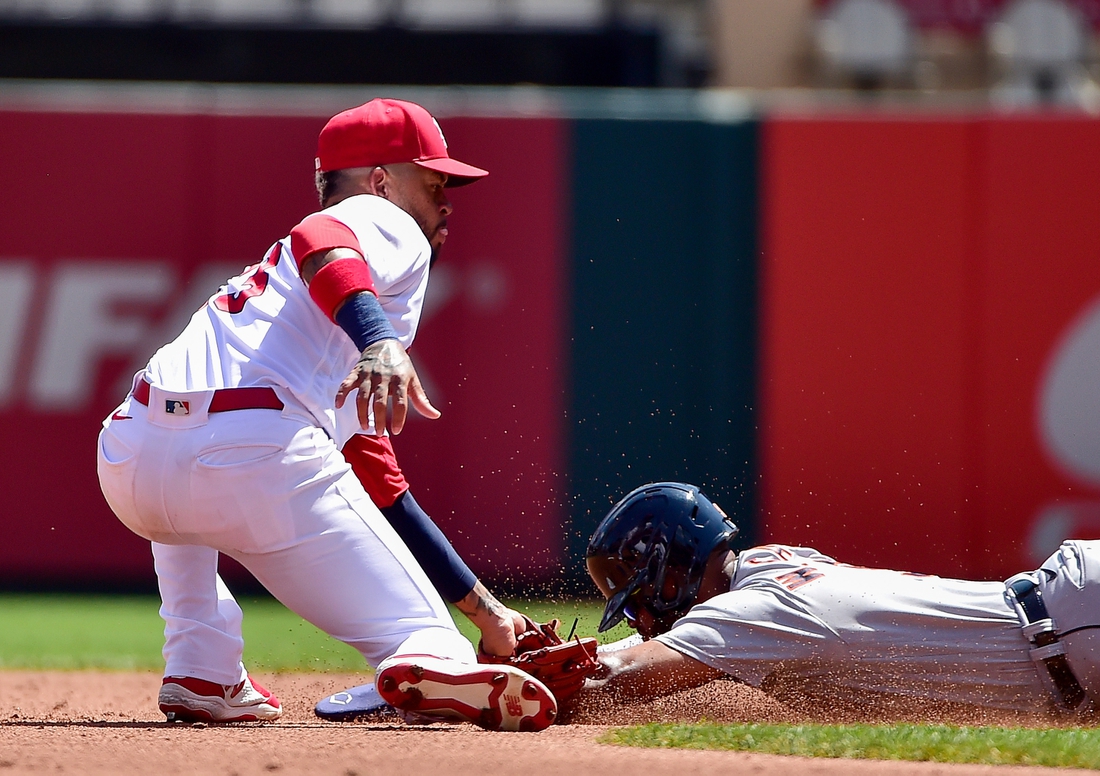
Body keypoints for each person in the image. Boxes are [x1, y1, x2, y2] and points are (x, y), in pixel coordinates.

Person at [96, 98, 557, 732]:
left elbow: (380, 482)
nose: (447, 201)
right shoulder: (380, 219)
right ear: (380, 181)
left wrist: (487, 614)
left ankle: (201, 669)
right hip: (250, 455)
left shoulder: (278, 294)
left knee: (192, 480)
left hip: (129, 459)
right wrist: (378, 339)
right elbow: (323, 234)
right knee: (432, 648)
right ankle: (429, 658)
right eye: (434, 181)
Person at [576, 482, 1099, 721]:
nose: (640, 619)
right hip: (1070, 613)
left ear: (675, 568)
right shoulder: (771, 566)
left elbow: (615, 675)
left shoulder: (756, 611)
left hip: (1077, 629)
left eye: (639, 599)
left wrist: (523, 674)